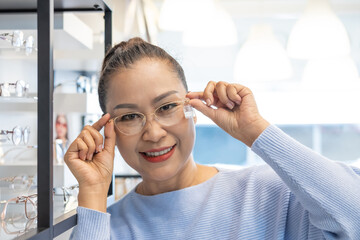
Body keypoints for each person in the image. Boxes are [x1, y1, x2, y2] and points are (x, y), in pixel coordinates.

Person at [65, 37, 360, 240]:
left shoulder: (267, 194)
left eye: (167, 107)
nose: (153, 133)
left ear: (193, 107)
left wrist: (256, 131)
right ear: (108, 129)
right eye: (129, 116)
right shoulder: (106, 225)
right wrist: (92, 193)